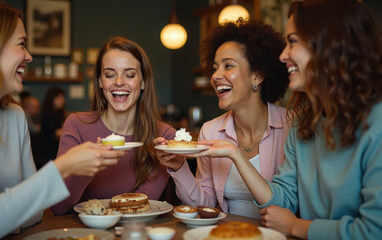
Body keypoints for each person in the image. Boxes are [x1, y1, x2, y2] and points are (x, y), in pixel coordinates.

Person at [187, 0, 382, 239]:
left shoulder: (376, 123)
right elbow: (284, 201)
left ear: (329, 44)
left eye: (292, 42)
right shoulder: (305, 125)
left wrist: (294, 226)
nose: (282, 55)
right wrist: (235, 153)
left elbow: (374, 230)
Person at [0, 2, 126, 239]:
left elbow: (34, 213)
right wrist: (64, 166)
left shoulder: (14, 117)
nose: (29, 56)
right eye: (21, 44)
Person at [154, 19, 290, 219]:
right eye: (215, 67)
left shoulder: (291, 126)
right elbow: (204, 205)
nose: (216, 76)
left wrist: (235, 154)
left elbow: (288, 206)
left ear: (258, 75)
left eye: (228, 66)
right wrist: (180, 167)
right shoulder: (210, 130)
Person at [51, 36, 176, 215]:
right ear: (100, 81)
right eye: (110, 74)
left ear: (143, 82)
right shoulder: (76, 124)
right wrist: (89, 167)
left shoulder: (164, 136)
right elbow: (59, 207)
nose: (118, 81)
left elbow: (143, 205)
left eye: (130, 74)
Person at [39, 87, 66, 168]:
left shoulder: (59, 113)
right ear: (51, 99)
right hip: (48, 153)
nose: (62, 100)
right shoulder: (47, 114)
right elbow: (56, 133)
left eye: (62, 97)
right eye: (58, 98)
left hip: (56, 152)